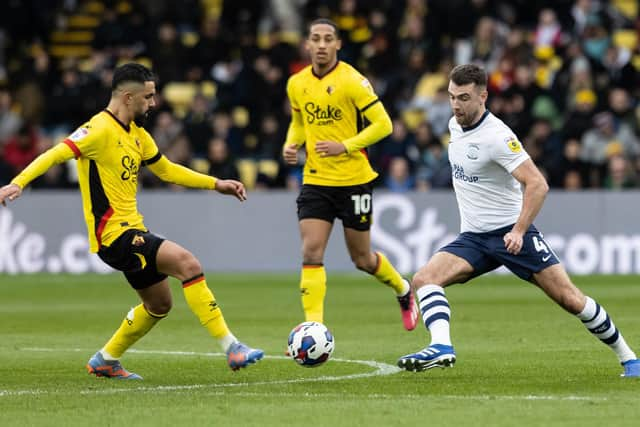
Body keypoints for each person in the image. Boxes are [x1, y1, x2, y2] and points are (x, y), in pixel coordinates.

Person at [0, 63, 263, 379]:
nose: (153, 104)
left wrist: (215, 183)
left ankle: (106, 359)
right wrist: (19, 182)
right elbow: (55, 154)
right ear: (127, 97)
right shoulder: (97, 130)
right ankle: (232, 347)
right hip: (114, 236)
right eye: (148, 97)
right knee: (189, 265)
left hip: (133, 231)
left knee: (160, 305)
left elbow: (166, 169)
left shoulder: (138, 135)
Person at [397, 64, 640, 378]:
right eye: (452, 97)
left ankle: (629, 358)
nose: (456, 104)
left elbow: (538, 184)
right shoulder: (454, 126)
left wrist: (519, 230)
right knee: (424, 279)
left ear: (483, 96)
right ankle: (442, 347)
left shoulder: (497, 137)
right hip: (474, 238)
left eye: (464, 98)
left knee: (570, 298)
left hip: (509, 234)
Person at [282, 18, 418, 330]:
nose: (321, 45)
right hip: (316, 179)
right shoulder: (297, 83)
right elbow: (299, 122)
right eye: (315, 38)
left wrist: (345, 146)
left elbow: (384, 125)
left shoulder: (353, 81)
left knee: (363, 259)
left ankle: (403, 289)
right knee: (311, 250)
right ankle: (313, 328)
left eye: (328, 39)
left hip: (354, 181)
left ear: (338, 44)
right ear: (307, 43)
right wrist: (292, 144)